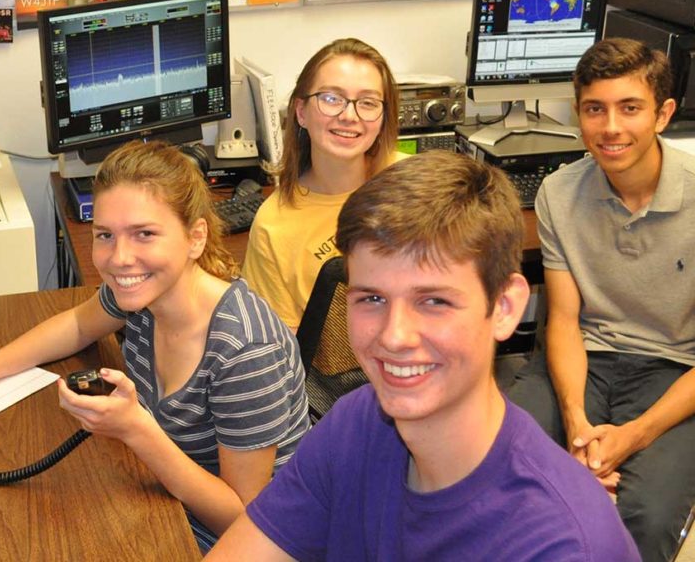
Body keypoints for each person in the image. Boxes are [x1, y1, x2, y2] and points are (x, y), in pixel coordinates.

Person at [207, 152, 640, 561]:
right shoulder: (357, 423)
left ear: (505, 308)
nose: (394, 337)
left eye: (433, 301)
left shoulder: (562, 545)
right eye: (372, 298)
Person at [0, 140, 310, 551]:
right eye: (105, 235)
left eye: (144, 234)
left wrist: (135, 429)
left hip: (246, 538)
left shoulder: (246, 350)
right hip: (168, 498)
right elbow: (78, 325)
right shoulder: (143, 294)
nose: (119, 258)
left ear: (195, 238)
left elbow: (242, 518)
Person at [507, 37, 695, 561]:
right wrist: (576, 426)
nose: (610, 127)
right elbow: (563, 323)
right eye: (595, 109)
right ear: (578, 114)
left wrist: (632, 437)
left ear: (663, 115)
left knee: (648, 517)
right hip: (582, 361)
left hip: (675, 370)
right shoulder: (559, 194)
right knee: (506, 479)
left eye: (630, 108)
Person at [242, 38, 401, 331]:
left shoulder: (415, 181)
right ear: (301, 112)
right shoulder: (274, 227)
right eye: (331, 98)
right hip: (345, 377)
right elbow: (282, 350)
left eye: (367, 103)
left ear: (382, 118)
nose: (349, 116)